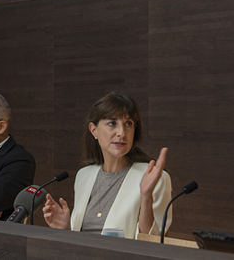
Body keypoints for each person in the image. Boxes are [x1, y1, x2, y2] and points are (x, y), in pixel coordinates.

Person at [43, 91, 172, 239]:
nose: (122, 133)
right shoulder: (84, 175)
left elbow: (151, 242)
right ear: (94, 130)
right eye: (112, 123)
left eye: (128, 124)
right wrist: (66, 229)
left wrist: (146, 196)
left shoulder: (153, 177)